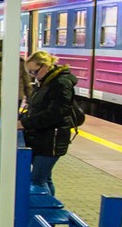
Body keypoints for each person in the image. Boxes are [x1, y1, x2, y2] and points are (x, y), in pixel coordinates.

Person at [17, 50, 77, 196]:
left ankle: (44, 211)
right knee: (45, 178)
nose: (33, 76)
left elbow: (56, 113)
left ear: (44, 66)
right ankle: (48, 208)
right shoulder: (46, 82)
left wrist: (26, 124)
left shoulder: (61, 84)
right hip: (43, 138)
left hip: (52, 139)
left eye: (34, 72)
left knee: (38, 180)